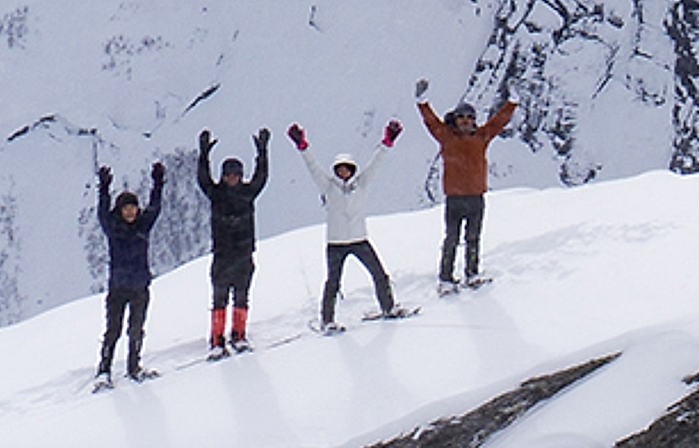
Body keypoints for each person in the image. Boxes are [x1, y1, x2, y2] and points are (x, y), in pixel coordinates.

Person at [290, 118, 409, 328]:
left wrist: (387, 143)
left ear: (352, 170)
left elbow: (376, 164)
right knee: (333, 283)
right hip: (336, 243)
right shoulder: (327, 186)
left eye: (346, 169)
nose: (343, 172)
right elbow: (313, 167)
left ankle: (389, 307)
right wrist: (303, 147)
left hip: (359, 239)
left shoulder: (361, 184)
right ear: (335, 170)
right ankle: (327, 320)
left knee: (379, 275)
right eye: (339, 169)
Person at [417, 89, 518, 288]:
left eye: (469, 117)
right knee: (452, 239)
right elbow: (431, 122)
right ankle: (445, 278)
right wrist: (422, 102)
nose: (465, 120)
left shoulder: (482, 136)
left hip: (475, 197)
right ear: (455, 119)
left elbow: (499, 121)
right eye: (461, 117)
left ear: (474, 120)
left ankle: (472, 274)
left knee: (473, 238)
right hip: (455, 198)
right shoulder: (447, 137)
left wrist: (512, 103)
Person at [198, 128, 270, 356]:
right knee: (219, 298)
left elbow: (262, 177)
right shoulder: (216, 193)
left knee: (241, 296)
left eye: (235, 175)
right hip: (222, 255)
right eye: (228, 175)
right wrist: (203, 155)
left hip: (243, 254)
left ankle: (238, 335)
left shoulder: (248, 192)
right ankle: (217, 339)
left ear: (240, 175)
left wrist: (262, 152)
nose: (232, 178)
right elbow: (202, 179)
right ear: (223, 176)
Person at [95, 161, 164, 385]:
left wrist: (158, 184)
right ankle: (104, 370)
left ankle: (134, 366)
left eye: (133, 207)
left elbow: (155, 207)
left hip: (139, 287)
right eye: (126, 208)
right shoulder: (114, 228)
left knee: (136, 329)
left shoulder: (143, 225)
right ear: (120, 210)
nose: (131, 211)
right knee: (113, 330)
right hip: (119, 288)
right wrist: (103, 190)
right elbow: (102, 214)